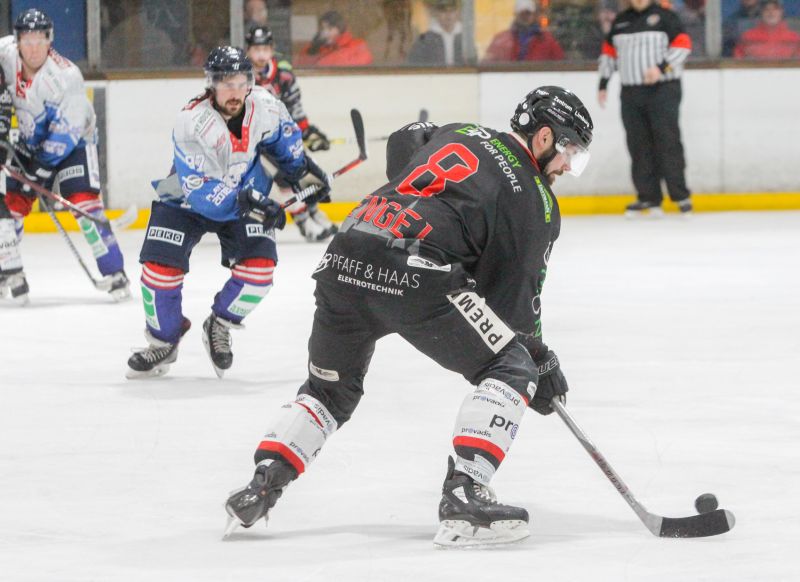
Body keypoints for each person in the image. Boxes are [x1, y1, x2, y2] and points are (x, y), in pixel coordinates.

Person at [223, 86, 594, 547]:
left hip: (347, 252)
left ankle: (264, 480)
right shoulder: (535, 200)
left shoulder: (463, 131)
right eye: (569, 153)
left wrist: (432, 201)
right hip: (416, 272)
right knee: (510, 366)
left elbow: (405, 138)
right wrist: (538, 358)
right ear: (543, 137)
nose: (566, 168)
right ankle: (465, 494)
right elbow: (513, 304)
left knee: (328, 391)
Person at [125, 46, 331, 379]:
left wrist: (303, 174)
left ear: (249, 83)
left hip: (247, 195)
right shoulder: (190, 121)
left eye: (240, 82)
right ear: (211, 85)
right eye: (225, 83)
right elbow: (199, 188)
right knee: (158, 273)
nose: (234, 92)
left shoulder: (266, 106)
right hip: (186, 199)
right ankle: (164, 340)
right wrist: (251, 200)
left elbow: (287, 144)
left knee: (260, 274)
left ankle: (220, 323)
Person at [0, 8, 130, 304]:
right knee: (11, 206)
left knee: (85, 206)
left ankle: (114, 271)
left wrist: (43, 170)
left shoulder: (66, 76)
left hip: (74, 145)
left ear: (50, 39)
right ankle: (6, 269)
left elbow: (68, 130)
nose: (33, 47)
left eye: (39, 39)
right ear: (18, 40)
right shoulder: (5, 52)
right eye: (27, 39)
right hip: (31, 142)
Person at [598, 0, 693, 217]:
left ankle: (680, 196)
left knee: (667, 140)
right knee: (638, 144)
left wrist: (661, 68)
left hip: (663, 89)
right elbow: (609, 53)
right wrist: (603, 83)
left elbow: (683, 45)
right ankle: (648, 197)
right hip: (631, 91)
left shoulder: (666, 17)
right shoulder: (621, 21)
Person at [246, 25, 337, 243]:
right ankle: (304, 221)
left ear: (272, 49)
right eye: (255, 49)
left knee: (301, 171)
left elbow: (294, 108)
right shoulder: (241, 75)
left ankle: (314, 212)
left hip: (282, 134)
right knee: (283, 178)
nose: (260, 55)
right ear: (248, 50)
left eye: (265, 49)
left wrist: (307, 132)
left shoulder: (284, 73)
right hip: (255, 140)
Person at [482, 0, 564, 63]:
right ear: (516, 15)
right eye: (521, 14)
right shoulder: (502, 39)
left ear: (534, 14)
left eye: (528, 13)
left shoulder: (546, 39)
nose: (525, 17)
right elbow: (488, 62)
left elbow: (560, 62)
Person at [295, 10, 374, 67]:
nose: (325, 32)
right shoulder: (317, 46)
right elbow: (300, 66)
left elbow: (364, 61)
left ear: (340, 28)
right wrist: (312, 50)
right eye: (323, 29)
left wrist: (323, 60)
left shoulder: (357, 44)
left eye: (329, 29)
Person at [408, 0, 475, 66]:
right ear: (436, 13)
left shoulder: (464, 38)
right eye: (444, 11)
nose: (448, 15)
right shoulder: (425, 40)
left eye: (452, 11)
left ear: (458, 13)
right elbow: (415, 65)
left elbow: (473, 62)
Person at [733, 0, 800, 59]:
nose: (771, 12)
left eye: (775, 9)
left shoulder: (795, 38)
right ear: (761, 13)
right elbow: (737, 62)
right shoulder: (747, 37)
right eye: (766, 9)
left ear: (782, 12)